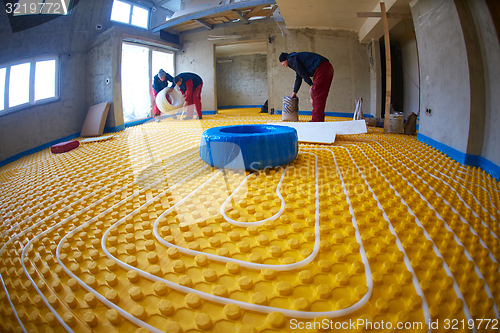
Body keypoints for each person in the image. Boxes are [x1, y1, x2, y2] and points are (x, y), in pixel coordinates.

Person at [279, 52, 334, 122]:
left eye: (282, 62)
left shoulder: (290, 59)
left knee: (316, 93)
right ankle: (319, 119)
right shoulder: (295, 58)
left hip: (321, 68)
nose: (282, 64)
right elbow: (299, 76)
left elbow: (302, 72)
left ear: (285, 60)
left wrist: (311, 85)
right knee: (320, 95)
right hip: (327, 67)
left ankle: (316, 121)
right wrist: (295, 92)